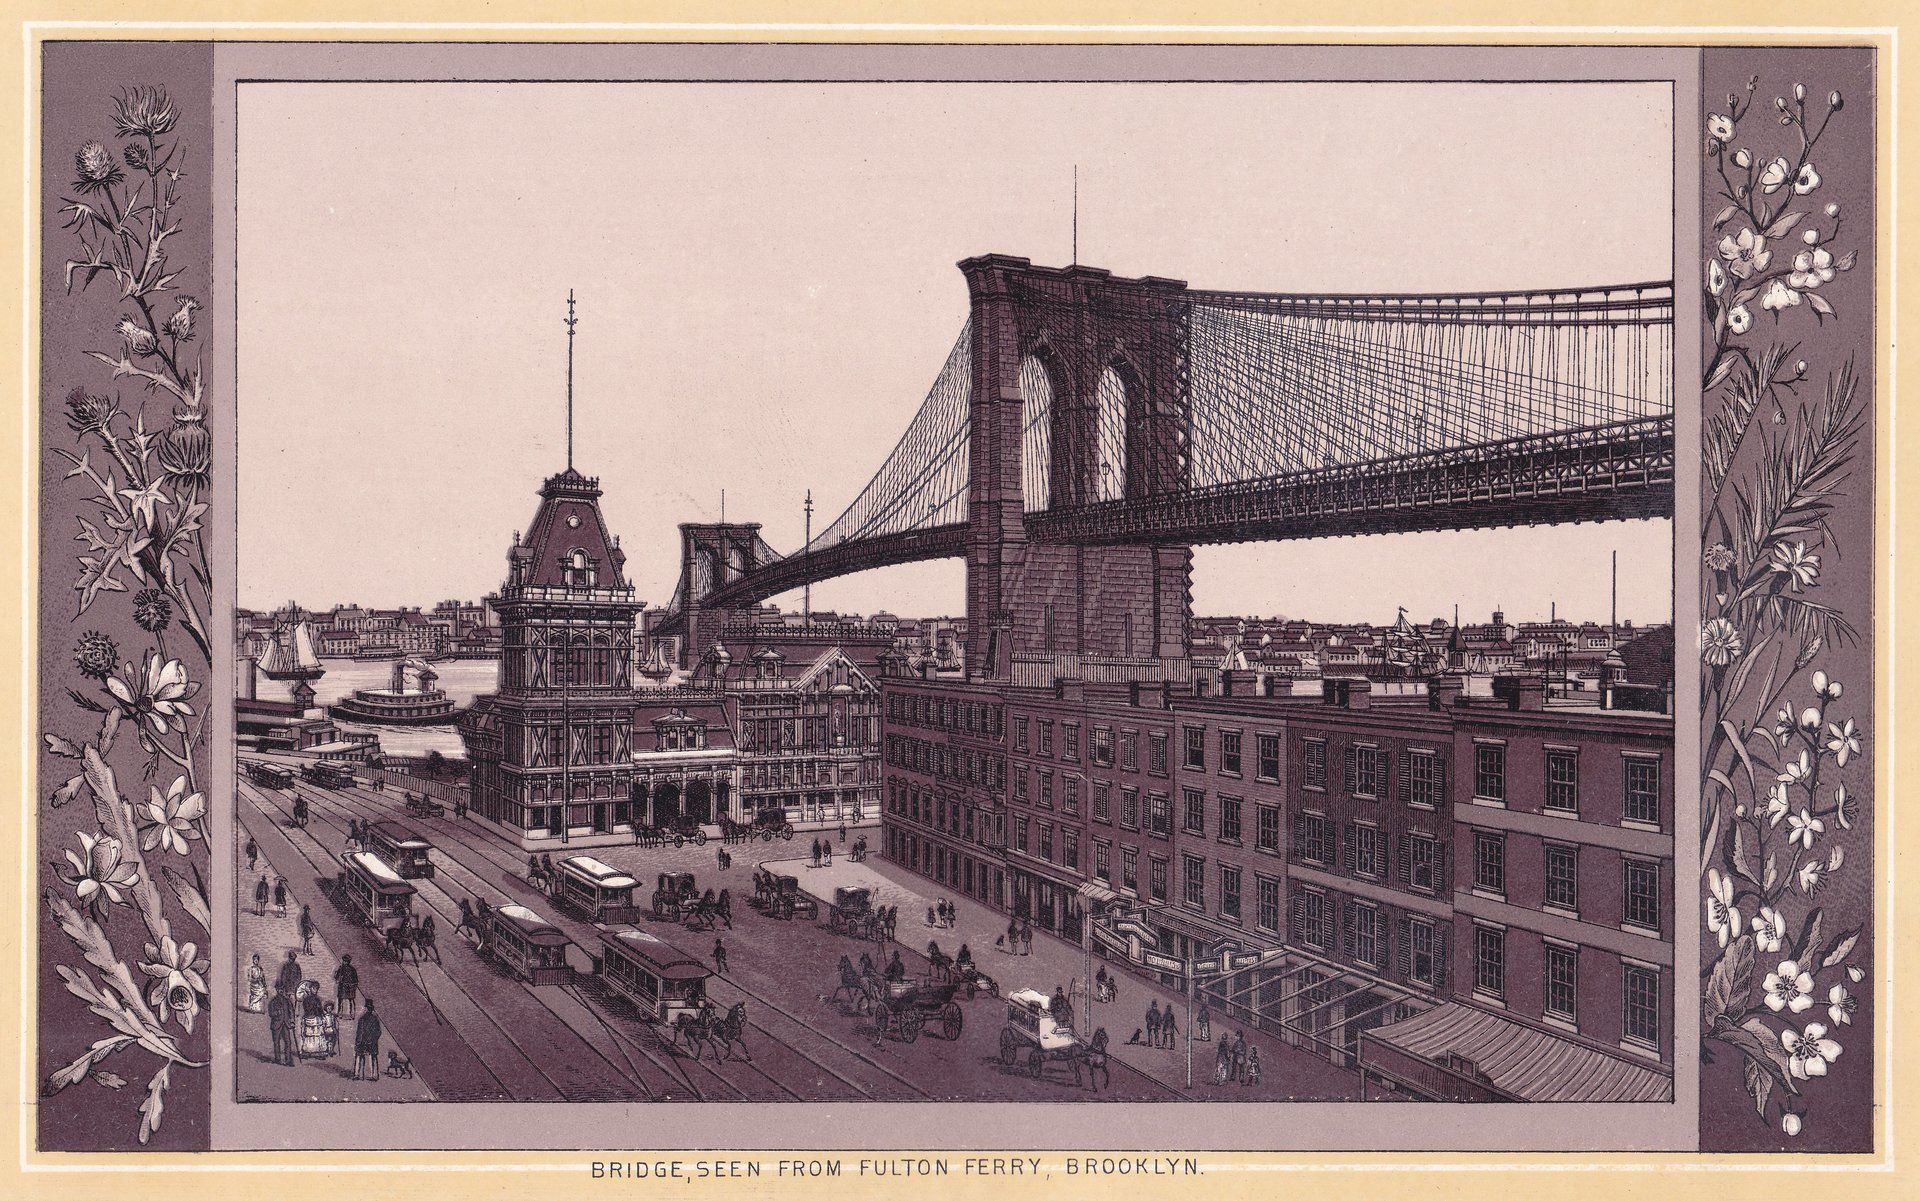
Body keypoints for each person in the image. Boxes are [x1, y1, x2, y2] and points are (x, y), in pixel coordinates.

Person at [353, 998, 382, 1081]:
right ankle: (372, 1075)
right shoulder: (374, 1019)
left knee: (361, 1057)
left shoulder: (362, 1019)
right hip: (370, 1042)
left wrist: (358, 1042)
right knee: (371, 1057)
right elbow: (378, 1032)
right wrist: (374, 1039)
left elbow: (359, 1032)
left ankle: (358, 1074)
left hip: (364, 1041)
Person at [268, 984, 296, 1066]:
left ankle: (288, 1060)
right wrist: (277, 1013)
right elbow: (271, 1013)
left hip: (286, 1024)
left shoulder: (287, 1001)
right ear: (276, 990)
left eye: (282, 989)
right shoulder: (273, 1001)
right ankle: (278, 1059)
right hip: (276, 1024)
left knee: (288, 1042)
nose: (281, 990)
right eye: (279, 989)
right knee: (276, 1042)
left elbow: (291, 1011)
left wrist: (292, 1021)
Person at [298, 980, 327, 1057]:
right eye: (314, 988)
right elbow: (307, 1009)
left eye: (316, 989)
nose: (315, 990)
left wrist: (322, 1014)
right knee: (310, 1035)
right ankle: (308, 1051)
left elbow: (320, 1009)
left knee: (318, 1035)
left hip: (317, 1018)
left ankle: (317, 1051)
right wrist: (315, 1009)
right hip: (310, 1018)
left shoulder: (317, 999)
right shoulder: (306, 999)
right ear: (310, 989)